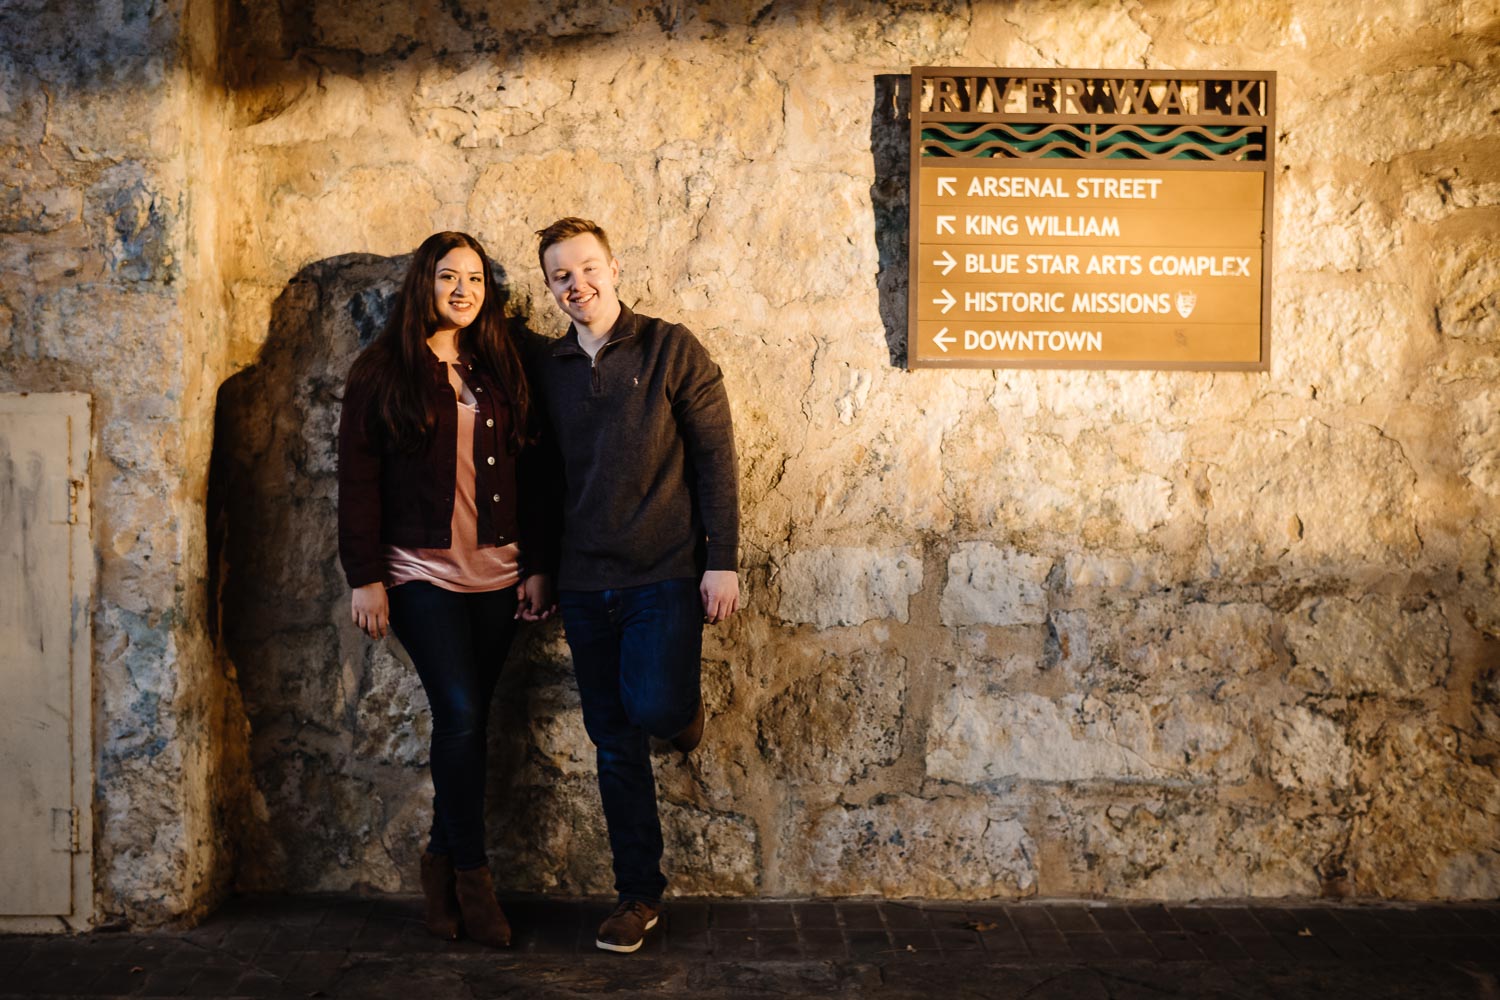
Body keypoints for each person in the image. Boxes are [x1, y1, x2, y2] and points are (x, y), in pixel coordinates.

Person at [337, 231, 553, 949]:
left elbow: (531, 469)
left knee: (470, 724)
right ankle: (472, 876)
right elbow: (358, 482)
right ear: (422, 284)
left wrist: (535, 563)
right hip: (419, 572)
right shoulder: (382, 371)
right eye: (447, 277)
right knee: (460, 712)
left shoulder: (499, 366)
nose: (462, 290)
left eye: (474, 280)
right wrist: (365, 577)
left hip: (497, 573)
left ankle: (436, 862)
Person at [530, 216, 740, 954]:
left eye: (587, 268)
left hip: (665, 575)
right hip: (585, 586)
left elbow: (716, 458)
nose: (576, 284)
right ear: (550, 287)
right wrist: (539, 566)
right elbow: (541, 478)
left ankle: (681, 716)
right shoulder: (549, 369)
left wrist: (724, 560)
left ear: (614, 268)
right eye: (561, 275)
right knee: (612, 743)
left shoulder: (670, 349)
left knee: (652, 706)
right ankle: (637, 895)